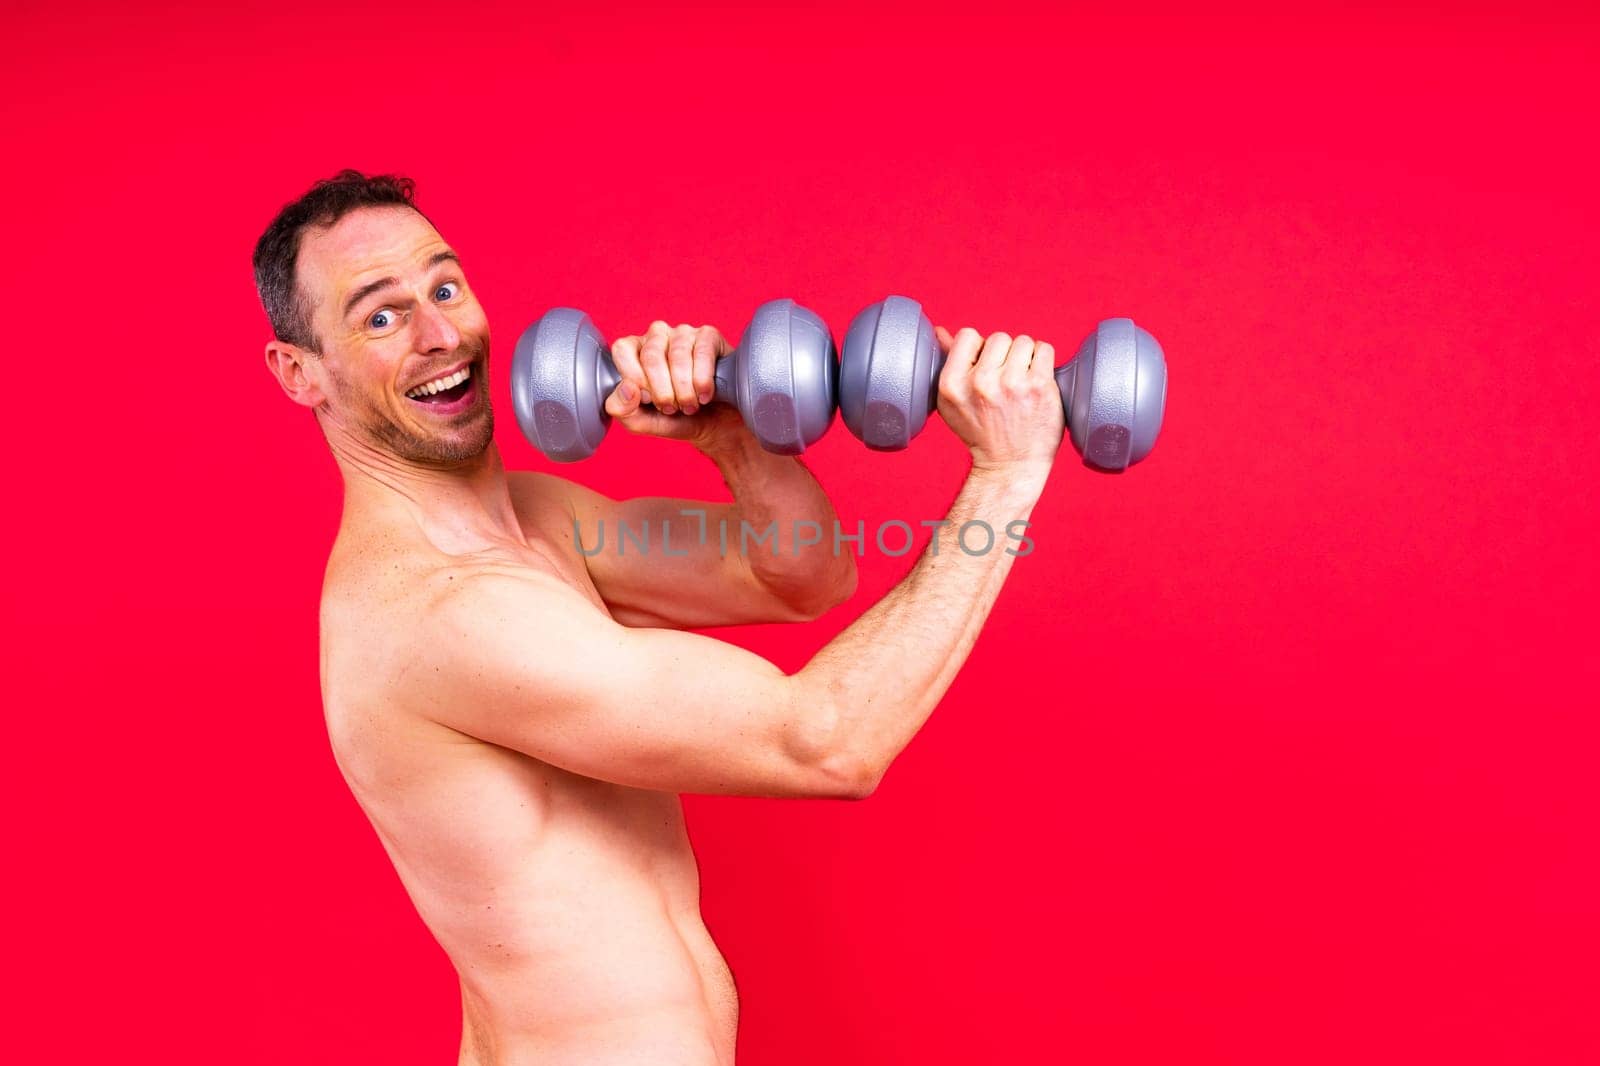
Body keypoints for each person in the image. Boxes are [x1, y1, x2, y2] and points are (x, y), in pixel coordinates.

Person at [254, 169, 1065, 1066]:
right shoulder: (440, 614)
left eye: (444, 288)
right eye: (381, 316)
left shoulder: (541, 520)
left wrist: (733, 437)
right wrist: (1005, 477)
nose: (442, 335)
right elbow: (828, 743)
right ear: (299, 373)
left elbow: (800, 576)